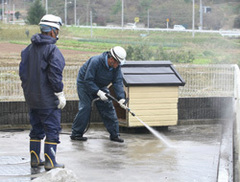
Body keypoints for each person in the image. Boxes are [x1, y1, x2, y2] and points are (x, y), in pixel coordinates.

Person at [19, 14, 66, 171]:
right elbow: (55, 74)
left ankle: (34, 159)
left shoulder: (28, 50)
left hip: (31, 98)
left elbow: (22, 74)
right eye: (57, 31)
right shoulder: (52, 50)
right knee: (52, 129)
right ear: (52, 31)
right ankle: (50, 162)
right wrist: (59, 93)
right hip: (47, 99)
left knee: (36, 129)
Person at [70, 46, 127, 143]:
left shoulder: (116, 67)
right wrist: (98, 92)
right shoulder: (95, 61)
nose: (118, 65)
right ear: (111, 59)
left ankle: (115, 134)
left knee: (108, 107)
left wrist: (121, 98)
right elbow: (88, 80)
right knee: (86, 107)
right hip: (85, 83)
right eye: (117, 63)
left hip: (100, 85)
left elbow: (117, 82)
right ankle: (76, 134)